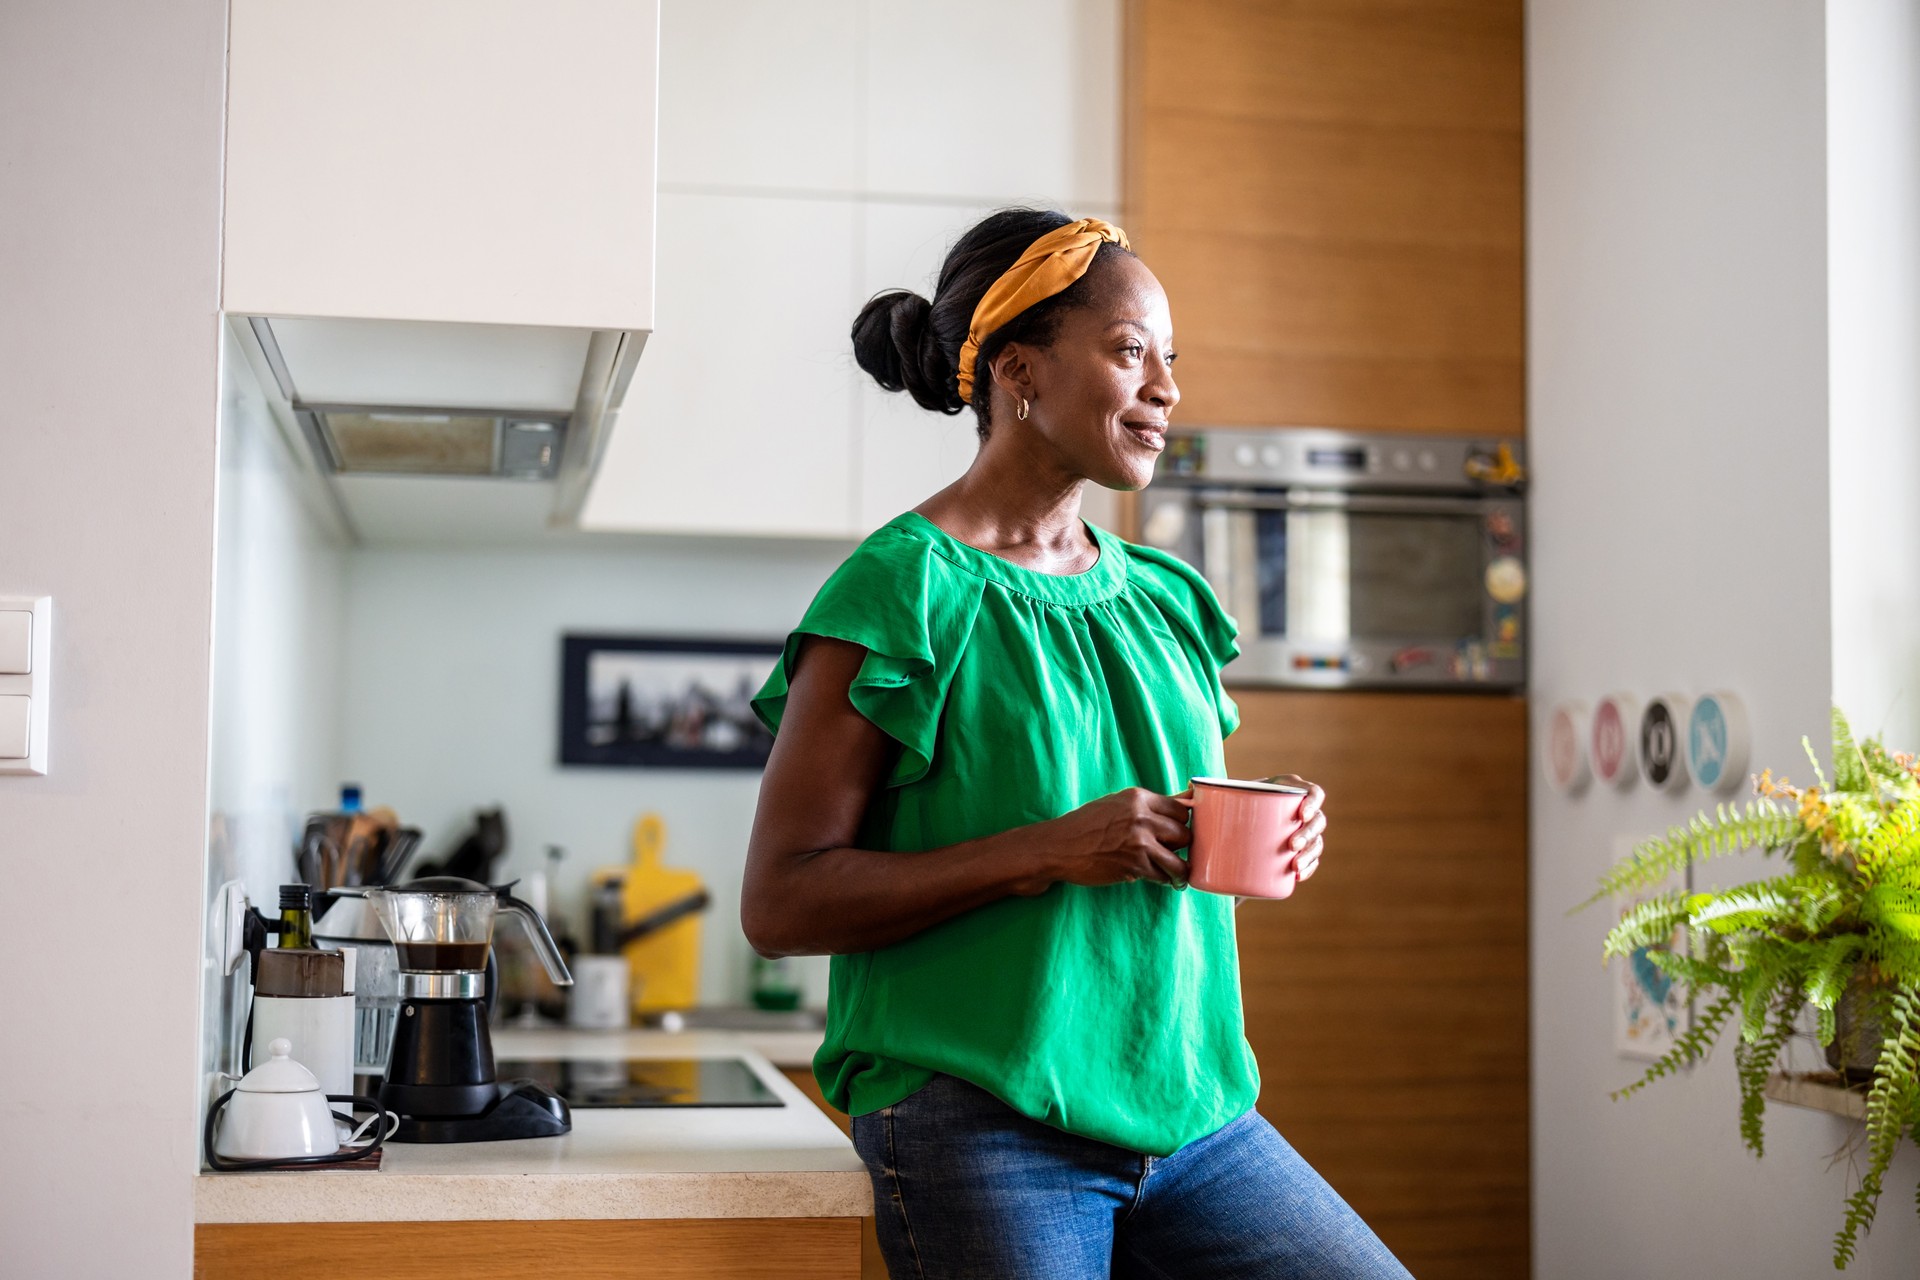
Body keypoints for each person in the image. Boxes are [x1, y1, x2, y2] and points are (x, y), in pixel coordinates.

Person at [743, 209, 1411, 1279]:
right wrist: (1049, 848)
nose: (1167, 388)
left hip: (1191, 1111)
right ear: (1020, 369)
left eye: (1171, 360)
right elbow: (781, 901)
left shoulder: (1165, 599)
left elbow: (1150, 838)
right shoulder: (906, 588)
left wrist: (1262, 829)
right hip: (985, 1124)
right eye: (1130, 350)